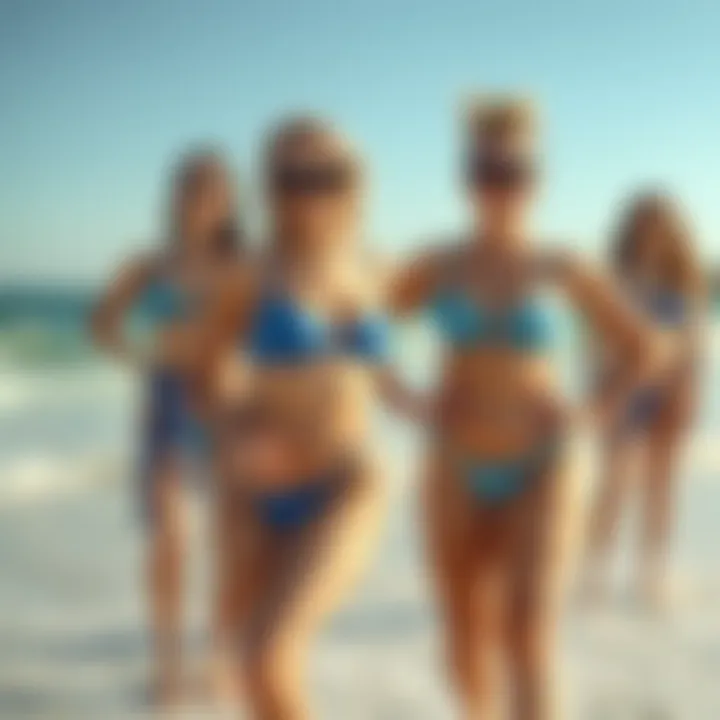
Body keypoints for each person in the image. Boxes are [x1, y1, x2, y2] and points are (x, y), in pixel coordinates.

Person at [387, 97, 663, 720]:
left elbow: (645, 348)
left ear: (537, 181)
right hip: (454, 467)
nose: (502, 187)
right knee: (463, 642)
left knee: (528, 637)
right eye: (488, 173)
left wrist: (592, 412)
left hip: (547, 462)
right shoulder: (437, 264)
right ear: (466, 180)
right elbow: (358, 325)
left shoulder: (562, 266)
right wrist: (407, 400)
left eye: (516, 173)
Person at [201, 116, 391, 719]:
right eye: (293, 177)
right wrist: (237, 433)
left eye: (328, 176)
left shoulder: (376, 268)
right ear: (271, 186)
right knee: (251, 664)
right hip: (258, 494)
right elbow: (207, 373)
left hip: (347, 484)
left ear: (354, 183)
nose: (310, 191)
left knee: (268, 652)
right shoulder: (249, 274)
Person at [90, 149, 243, 706]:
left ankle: (220, 654)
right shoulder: (148, 265)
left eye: (210, 188)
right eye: (188, 187)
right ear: (173, 197)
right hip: (167, 407)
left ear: (229, 200)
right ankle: (168, 660)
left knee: (229, 545)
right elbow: (101, 323)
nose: (198, 199)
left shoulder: (243, 264)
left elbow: (273, 330)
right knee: (171, 539)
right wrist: (142, 356)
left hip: (227, 409)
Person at [583, 191, 704, 608]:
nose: (651, 233)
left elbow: (694, 343)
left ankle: (652, 573)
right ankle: (592, 571)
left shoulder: (684, 280)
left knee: (661, 487)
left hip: (671, 394)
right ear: (630, 229)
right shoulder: (616, 278)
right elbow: (596, 341)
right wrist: (601, 393)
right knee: (614, 485)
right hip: (626, 392)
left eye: (658, 224)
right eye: (642, 224)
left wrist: (690, 391)